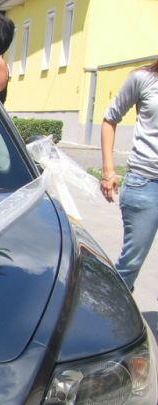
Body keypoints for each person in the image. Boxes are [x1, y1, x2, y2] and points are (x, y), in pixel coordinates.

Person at [100, 59, 158, 290]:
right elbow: (109, 120)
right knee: (131, 264)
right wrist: (108, 171)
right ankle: (111, 308)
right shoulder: (143, 79)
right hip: (145, 184)